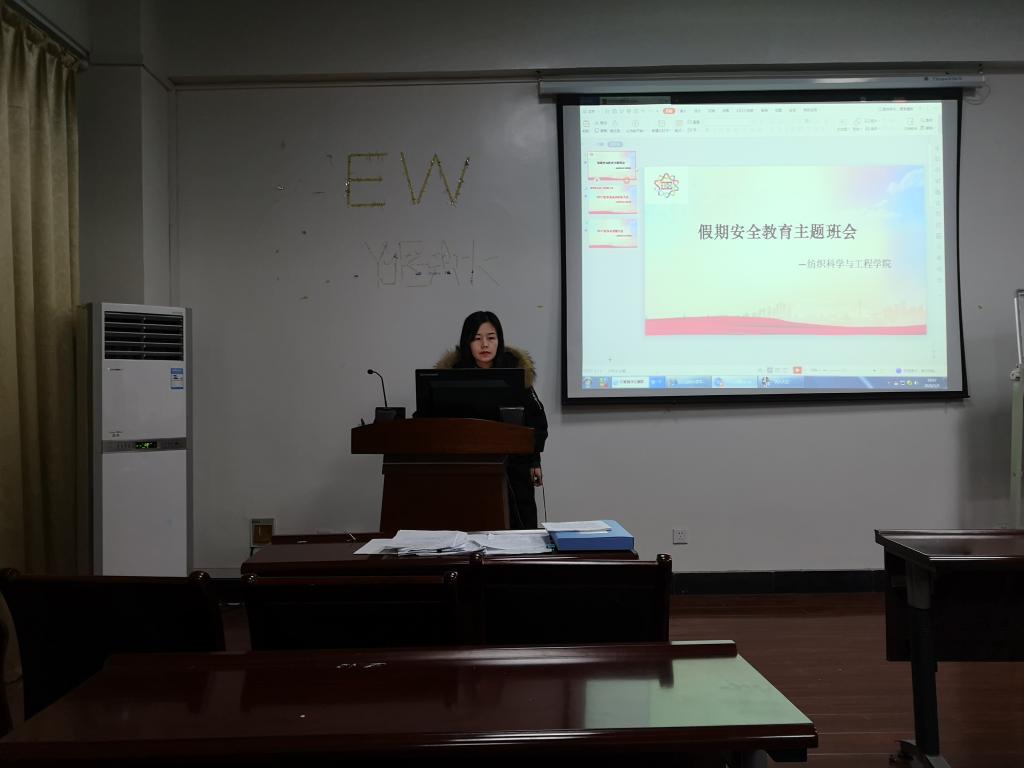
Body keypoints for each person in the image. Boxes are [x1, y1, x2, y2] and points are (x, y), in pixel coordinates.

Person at [434, 310, 548, 529]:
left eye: (491, 337)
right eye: (477, 338)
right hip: (467, 469)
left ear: (499, 340)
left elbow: (536, 421)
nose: (485, 344)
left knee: (519, 529)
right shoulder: (452, 375)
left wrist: (535, 461)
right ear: (467, 342)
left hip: (514, 467)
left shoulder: (516, 372)